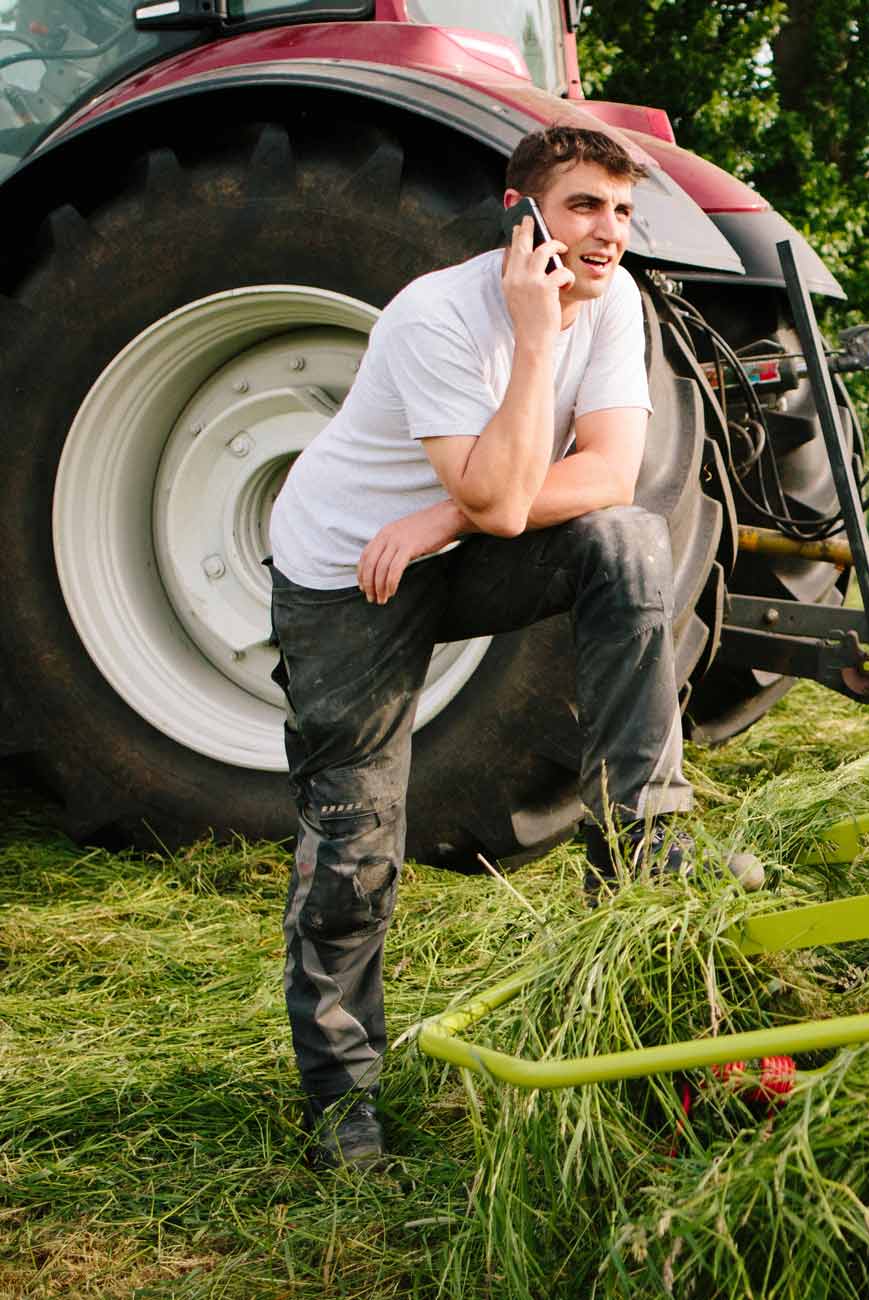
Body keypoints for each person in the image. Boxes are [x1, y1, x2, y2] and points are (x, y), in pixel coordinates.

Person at [265, 126, 690, 1170]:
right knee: (355, 841)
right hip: (347, 572)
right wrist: (536, 336)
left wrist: (440, 522)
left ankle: (645, 855)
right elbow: (501, 495)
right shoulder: (436, 316)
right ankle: (340, 1096)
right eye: (586, 206)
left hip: (443, 543)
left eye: (624, 213)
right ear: (522, 216)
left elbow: (609, 478)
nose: (609, 234)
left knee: (628, 544)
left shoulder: (620, 302)